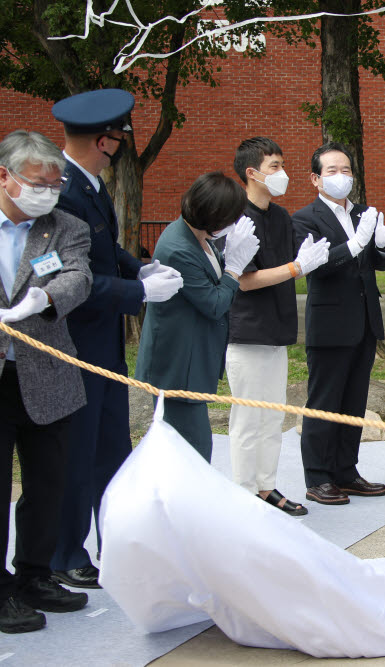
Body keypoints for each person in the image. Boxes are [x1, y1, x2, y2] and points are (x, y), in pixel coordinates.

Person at [49, 88, 183, 589]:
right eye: (121, 136)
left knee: (110, 448)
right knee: (76, 452)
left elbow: (106, 248)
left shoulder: (91, 185)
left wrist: (141, 266)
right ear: (104, 141)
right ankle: (64, 552)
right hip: (74, 342)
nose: (124, 143)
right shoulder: (63, 190)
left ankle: (115, 543)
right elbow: (72, 276)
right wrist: (138, 290)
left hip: (102, 342)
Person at [0, 130, 92, 632]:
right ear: (6, 178)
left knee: (46, 484)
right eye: (38, 183)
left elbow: (78, 276)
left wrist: (46, 299)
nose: (48, 193)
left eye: (55, 184)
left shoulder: (65, 227)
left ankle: (34, 574)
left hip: (46, 372)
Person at [226, 138, 330, 516]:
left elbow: (302, 258)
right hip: (248, 332)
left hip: (278, 330)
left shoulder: (282, 216)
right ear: (251, 173)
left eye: (282, 165)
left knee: (272, 416)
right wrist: (294, 268)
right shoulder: (236, 217)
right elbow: (245, 280)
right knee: (248, 419)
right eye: (274, 166)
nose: (281, 173)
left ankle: (266, 486)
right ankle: (242, 494)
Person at [292, 142, 385, 506]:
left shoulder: (364, 213)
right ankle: (317, 477)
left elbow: (378, 263)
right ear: (315, 179)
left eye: (347, 170)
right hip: (330, 322)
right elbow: (315, 265)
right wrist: (353, 245)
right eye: (332, 171)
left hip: (365, 321)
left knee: (353, 401)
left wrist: (380, 246)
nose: (341, 177)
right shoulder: (304, 218)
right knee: (325, 401)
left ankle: (346, 471)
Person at [135, 173, 260, 461]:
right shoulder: (178, 248)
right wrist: (234, 269)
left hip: (192, 360)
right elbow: (214, 303)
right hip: (177, 367)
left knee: (193, 451)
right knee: (191, 454)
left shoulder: (198, 236)